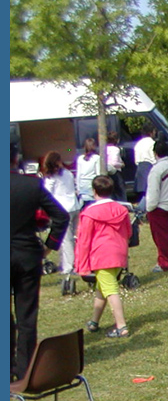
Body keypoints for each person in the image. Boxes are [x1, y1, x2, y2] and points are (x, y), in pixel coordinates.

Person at [11, 142, 69, 380]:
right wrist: (49, 246)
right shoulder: (32, 184)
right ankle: (23, 368)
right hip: (26, 254)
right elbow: (61, 217)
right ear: (16, 159)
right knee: (27, 315)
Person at [74, 175, 132, 337]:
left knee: (111, 290)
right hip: (119, 252)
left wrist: (82, 265)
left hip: (101, 255)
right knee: (103, 288)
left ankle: (121, 326)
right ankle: (94, 321)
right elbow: (128, 232)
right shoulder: (122, 209)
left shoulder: (89, 213)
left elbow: (84, 241)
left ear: (94, 191)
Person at [39, 151, 79, 287]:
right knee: (76, 237)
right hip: (74, 205)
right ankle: (76, 262)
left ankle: (69, 267)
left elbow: (46, 194)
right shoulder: (67, 173)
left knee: (65, 240)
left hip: (62, 209)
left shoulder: (51, 178)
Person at [145, 138, 168, 273]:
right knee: (165, 234)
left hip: (160, 206)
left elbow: (153, 191)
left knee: (161, 237)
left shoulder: (157, 169)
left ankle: (166, 263)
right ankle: (164, 260)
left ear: (155, 153)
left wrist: (149, 208)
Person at [132, 124, 156, 210]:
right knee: (149, 192)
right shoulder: (152, 143)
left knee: (144, 192)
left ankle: (143, 210)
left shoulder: (138, 144)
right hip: (149, 166)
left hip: (140, 167)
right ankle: (140, 211)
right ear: (151, 132)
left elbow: (136, 159)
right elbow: (154, 158)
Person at [76, 138, 103, 208]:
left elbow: (78, 174)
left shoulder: (80, 158)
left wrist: (78, 188)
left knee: (83, 206)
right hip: (92, 185)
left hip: (82, 185)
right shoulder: (97, 158)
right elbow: (98, 174)